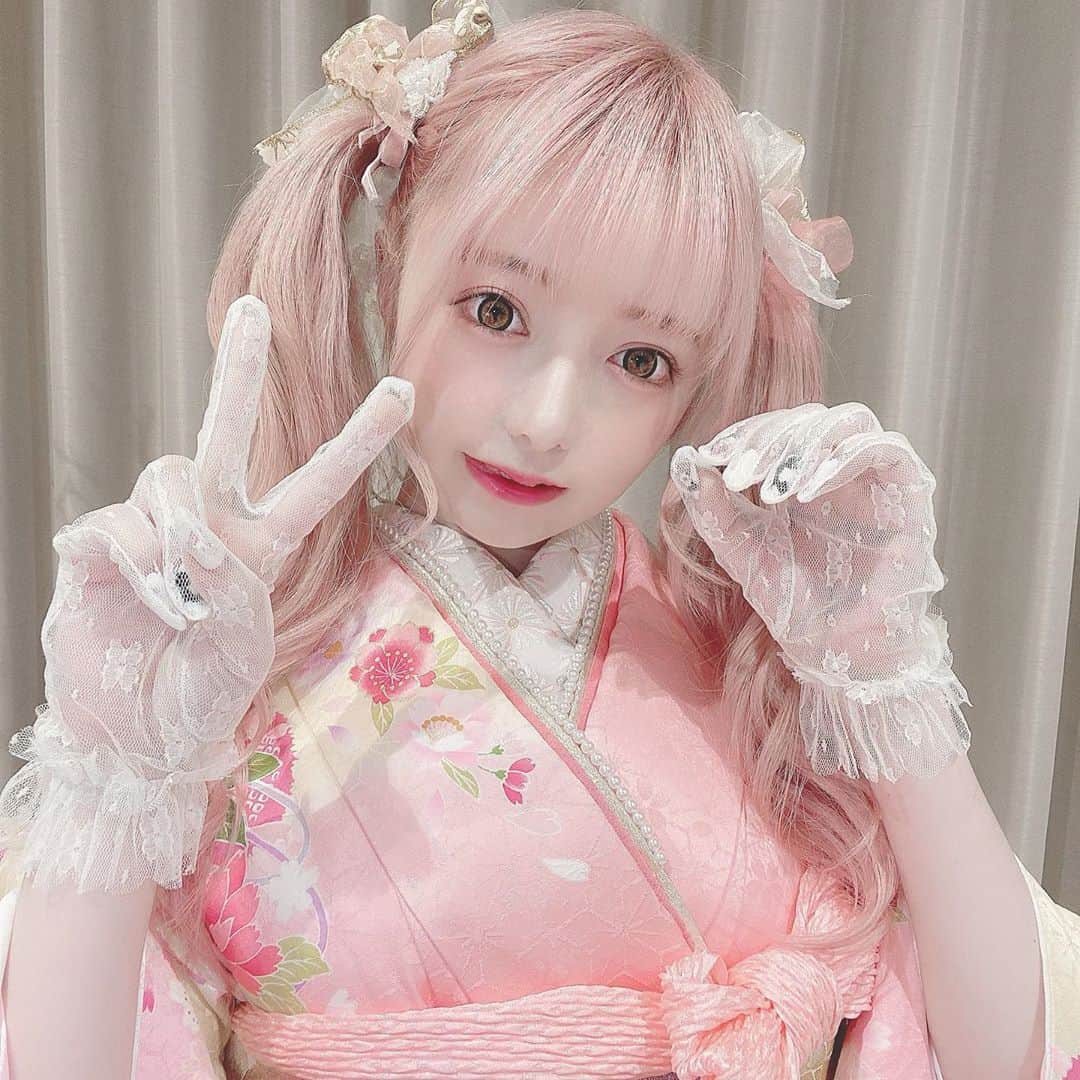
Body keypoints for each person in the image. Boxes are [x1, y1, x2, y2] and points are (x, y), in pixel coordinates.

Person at [0, 3, 1077, 1078]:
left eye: (642, 361)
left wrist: (886, 672)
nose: (549, 421)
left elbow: (997, 1057)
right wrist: (113, 768)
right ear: (391, 265)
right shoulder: (231, 679)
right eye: (495, 309)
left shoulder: (749, 664)